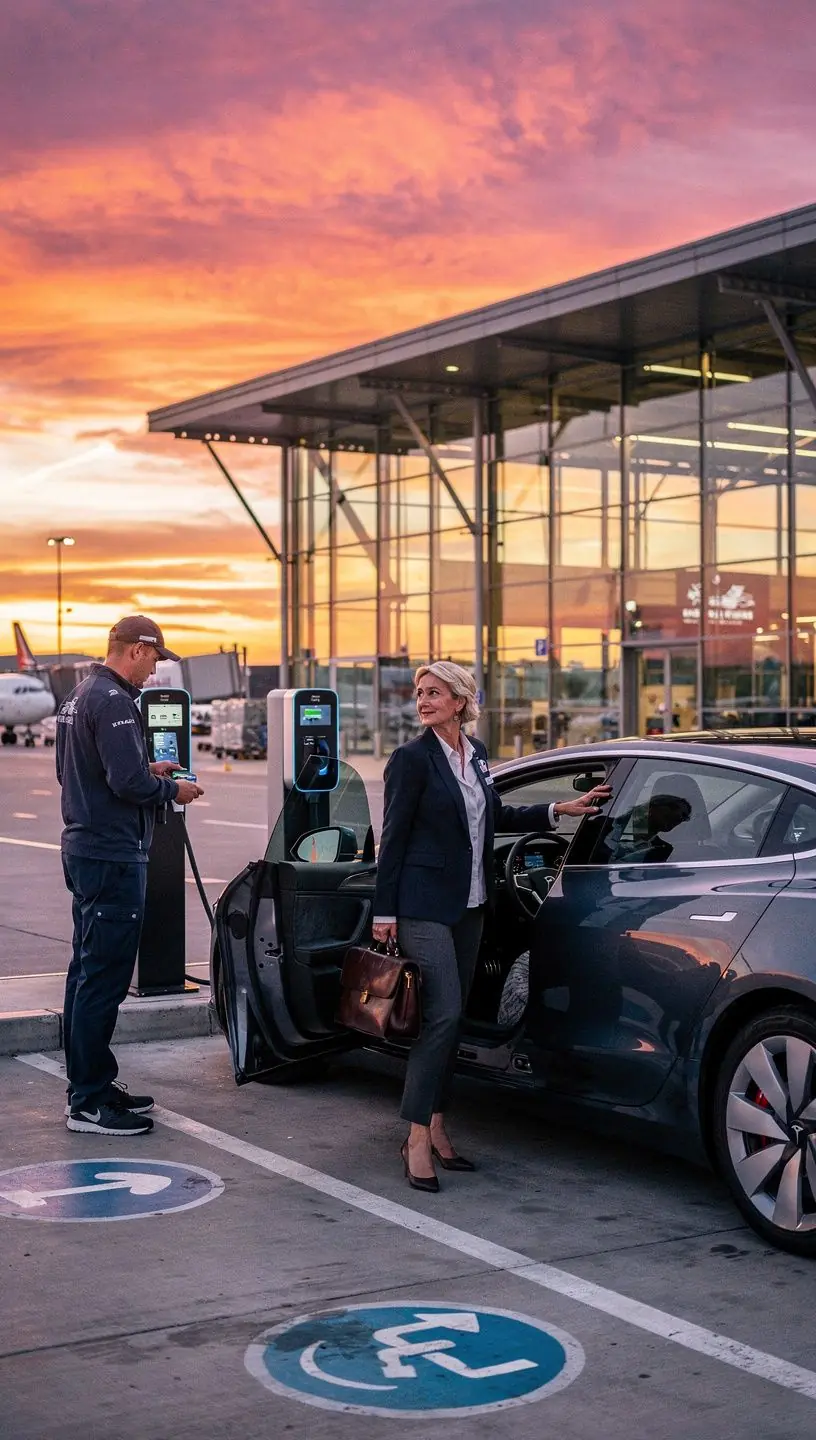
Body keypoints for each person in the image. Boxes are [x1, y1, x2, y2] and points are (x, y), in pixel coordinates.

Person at [372, 661, 610, 1192]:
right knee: (442, 1016)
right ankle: (414, 1137)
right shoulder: (411, 761)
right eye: (420, 693)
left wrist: (558, 809)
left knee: (451, 1022)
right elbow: (394, 840)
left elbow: (494, 815)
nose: (423, 701)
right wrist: (384, 912)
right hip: (422, 907)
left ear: (460, 701)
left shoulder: (475, 755)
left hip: (471, 905)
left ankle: (436, 1123)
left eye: (434, 693)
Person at [56, 615, 204, 1137]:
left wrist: (149, 772)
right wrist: (171, 791)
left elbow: (83, 773)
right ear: (138, 650)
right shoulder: (116, 701)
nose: (155, 674)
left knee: (86, 970)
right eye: (156, 661)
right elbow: (124, 782)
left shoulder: (80, 695)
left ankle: (89, 1081)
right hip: (112, 855)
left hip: (85, 848)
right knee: (106, 977)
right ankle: (89, 1102)